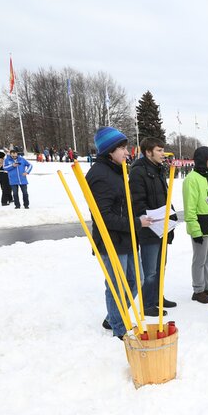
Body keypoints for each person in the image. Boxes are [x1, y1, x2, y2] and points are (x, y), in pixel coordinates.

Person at [86, 126, 152, 340]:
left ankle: (113, 316)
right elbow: (104, 217)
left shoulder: (118, 170)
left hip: (127, 237)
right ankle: (118, 327)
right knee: (116, 285)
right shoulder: (99, 175)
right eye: (122, 148)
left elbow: (123, 206)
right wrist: (136, 223)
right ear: (109, 150)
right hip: (111, 241)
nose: (127, 152)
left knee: (136, 281)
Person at [129, 137, 176, 318]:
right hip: (149, 227)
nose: (163, 153)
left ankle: (157, 297)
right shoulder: (138, 172)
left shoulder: (158, 170)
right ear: (148, 152)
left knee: (161, 265)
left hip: (162, 225)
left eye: (163, 150)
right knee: (150, 270)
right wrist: (149, 217)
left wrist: (170, 215)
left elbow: (164, 196)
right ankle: (147, 303)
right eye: (159, 150)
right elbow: (137, 201)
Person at [182, 146, 208, 304]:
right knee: (199, 259)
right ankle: (198, 290)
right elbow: (189, 208)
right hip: (200, 226)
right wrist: (195, 231)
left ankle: (207, 286)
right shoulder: (191, 179)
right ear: (202, 161)